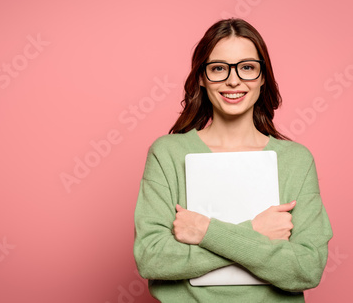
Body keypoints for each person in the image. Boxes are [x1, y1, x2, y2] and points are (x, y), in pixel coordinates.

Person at [133, 18, 333, 302]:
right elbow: (152, 259)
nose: (233, 80)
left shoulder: (296, 161)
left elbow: (306, 269)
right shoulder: (167, 154)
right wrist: (255, 232)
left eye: (247, 67)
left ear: (264, 76)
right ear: (201, 77)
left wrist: (205, 231)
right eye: (218, 68)